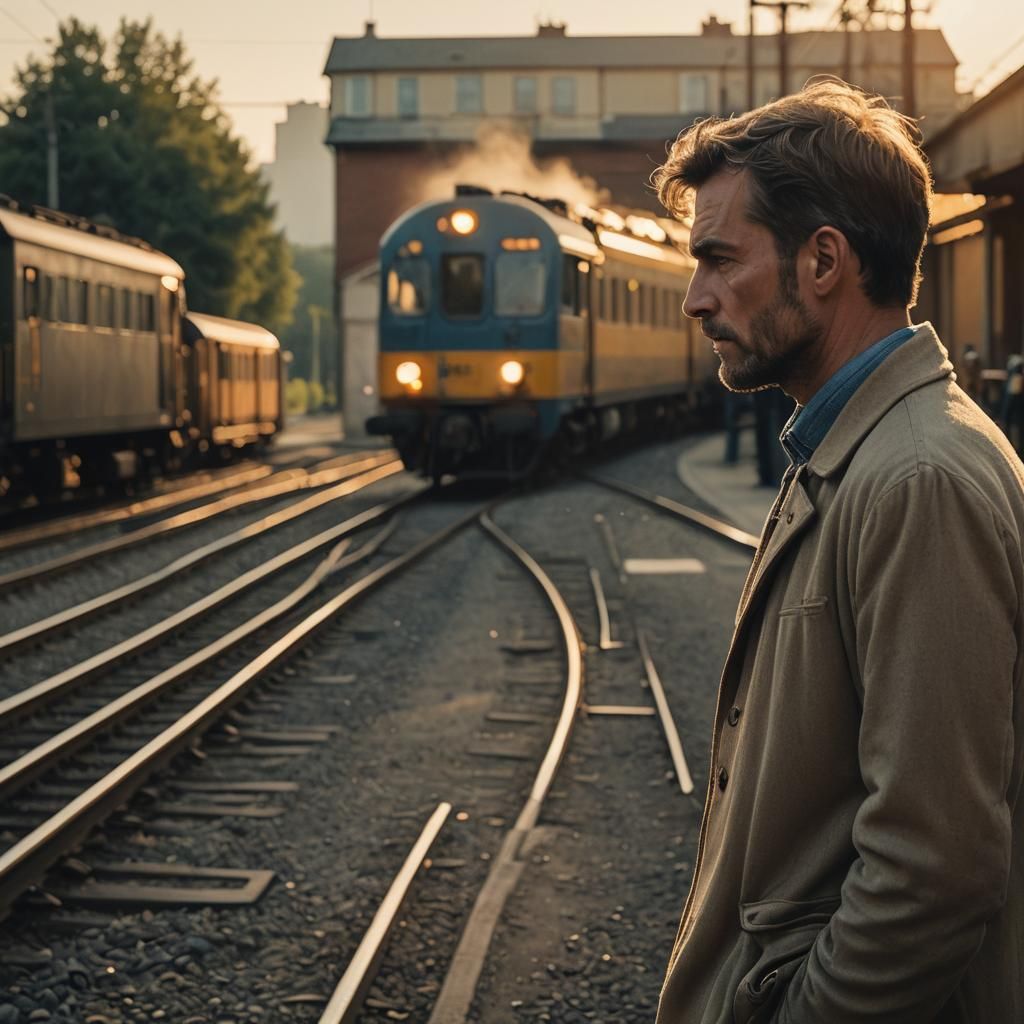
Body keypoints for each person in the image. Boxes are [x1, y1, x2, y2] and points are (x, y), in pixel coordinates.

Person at [652, 79, 1024, 1023]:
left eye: (719, 260)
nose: (696, 299)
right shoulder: (857, 452)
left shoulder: (915, 481)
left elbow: (931, 867)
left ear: (824, 261)